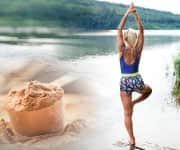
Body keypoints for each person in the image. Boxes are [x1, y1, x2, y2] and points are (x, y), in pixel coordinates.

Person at [117, 3, 152, 146]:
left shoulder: (121, 50)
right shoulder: (137, 50)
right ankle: (135, 103)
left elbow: (119, 29)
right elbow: (142, 31)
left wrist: (128, 12)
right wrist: (135, 14)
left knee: (127, 114)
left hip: (124, 82)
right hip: (136, 80)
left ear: (125, 38)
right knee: (149, 90)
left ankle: (132, 139)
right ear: (135, 38)